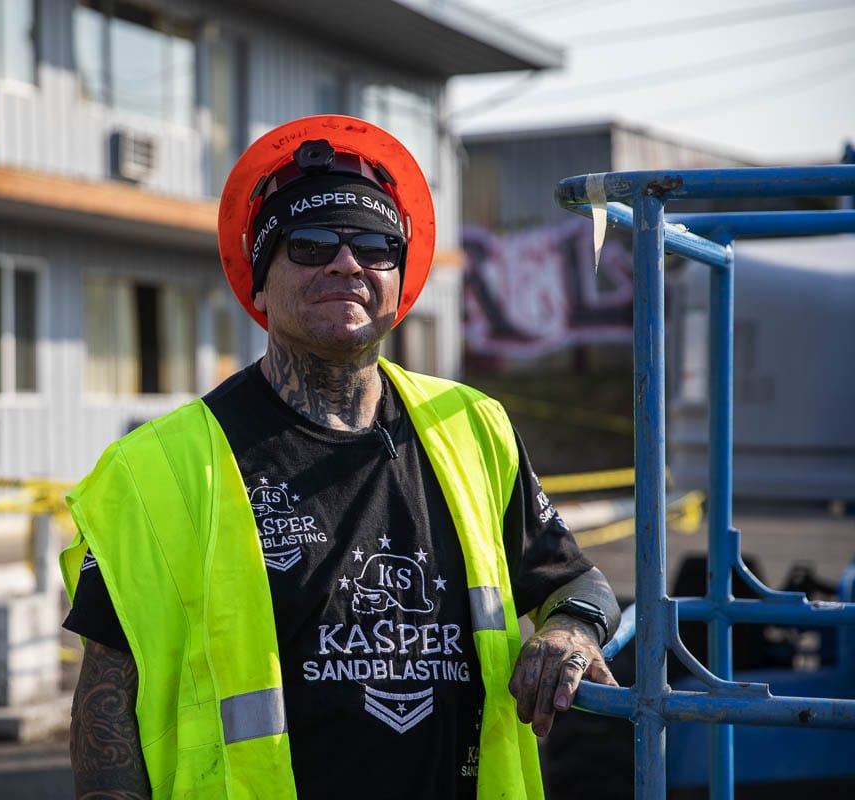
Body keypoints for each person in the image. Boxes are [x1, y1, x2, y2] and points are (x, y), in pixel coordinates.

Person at [60, 115, 620, 799]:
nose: (347, 262)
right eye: (312, 242)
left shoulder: (474, 429)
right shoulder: (158, 470)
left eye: (377, 246)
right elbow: (104, 706)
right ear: (259, 284)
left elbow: (577, 582)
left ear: (399, 283)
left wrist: (569, 630)